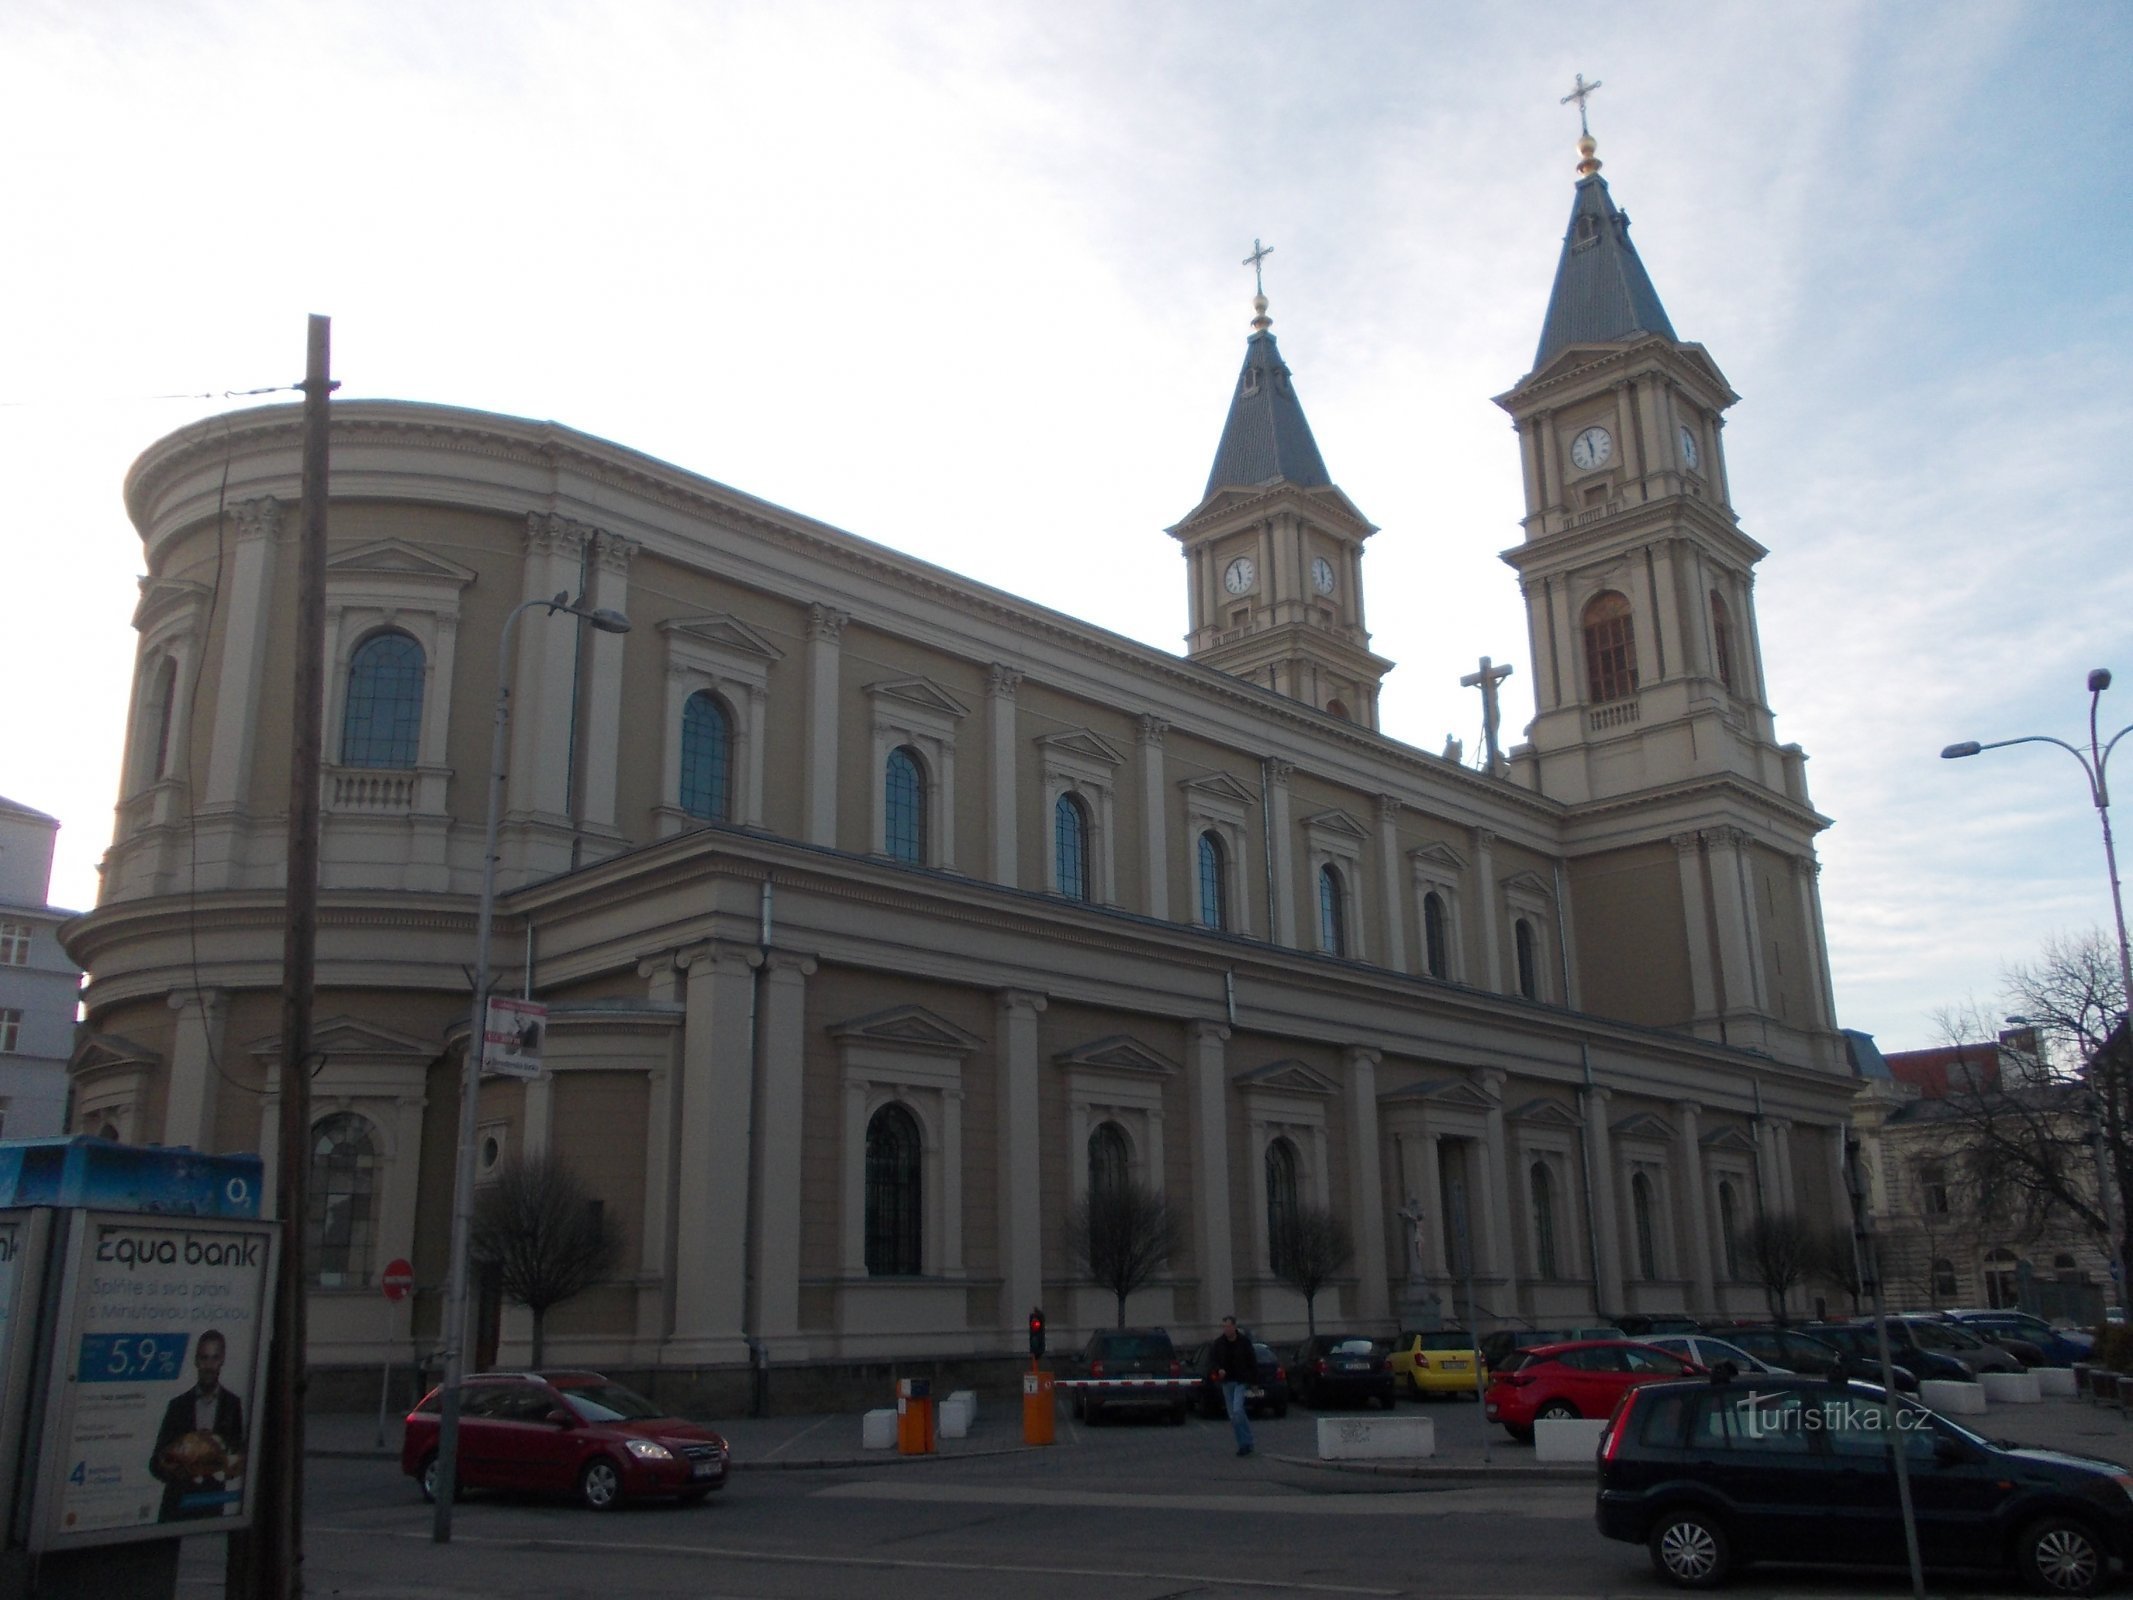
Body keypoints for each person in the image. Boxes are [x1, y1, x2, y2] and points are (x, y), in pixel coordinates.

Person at [150, 1329, 245, 1521]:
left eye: (214, 1358)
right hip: (177, 1506)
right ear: (195, 1360)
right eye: (204, 1358)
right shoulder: (178, 1406)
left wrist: (216, 1454)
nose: (209, 1365)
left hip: (210, 1506)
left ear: (222, 1360)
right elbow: (156, 1463)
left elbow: (239, 1457)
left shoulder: (232, 1404)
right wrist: (183, 1462)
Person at [1207, 1315, 1259, 1456]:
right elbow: (1212, 1360)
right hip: (1227, 1382)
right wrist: (1219, 1370)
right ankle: (1243, 1444)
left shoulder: (1244, 1342)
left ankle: (1248, 1441)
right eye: (1224, 1326)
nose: (1226, 1329)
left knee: (1237, 1410)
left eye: (1228, 1326)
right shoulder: (1219, 1343)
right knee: (1234, 1416)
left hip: (1240, 1381)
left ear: (1234, 1327)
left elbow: (1252, 1362)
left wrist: (1254, 1382)